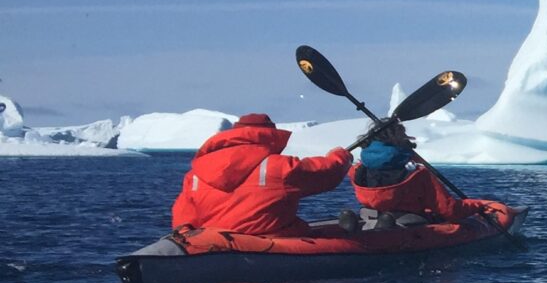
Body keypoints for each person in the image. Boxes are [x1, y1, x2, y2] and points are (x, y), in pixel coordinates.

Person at [171, 113, 351, 236]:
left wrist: (186, 237)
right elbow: (324, 173)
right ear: (270, 135)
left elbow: (184, 214)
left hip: (213, 243)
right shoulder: (277, 166)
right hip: (272, 240)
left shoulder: (195, 173)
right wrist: (340, 157)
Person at [349, 123, 492, 223]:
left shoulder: (357, 170)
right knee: (421, 220)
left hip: (370, 216)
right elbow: (449, 210)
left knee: (378, 216)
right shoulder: (419, 175)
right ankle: (388, 225)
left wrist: (405, 155)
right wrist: (476, 205)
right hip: (410, 222)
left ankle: (357, 223)